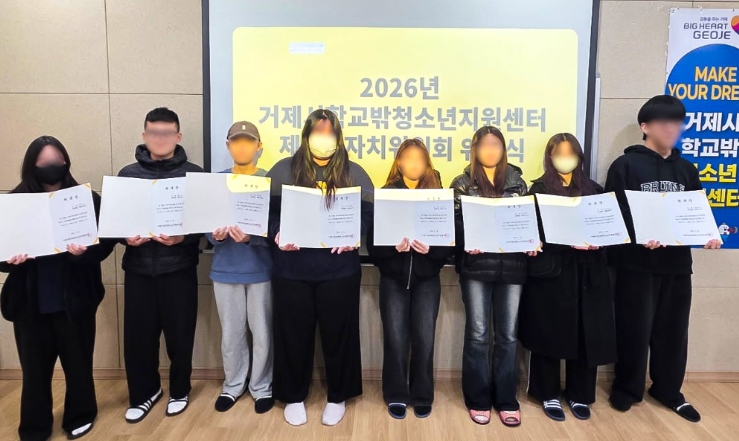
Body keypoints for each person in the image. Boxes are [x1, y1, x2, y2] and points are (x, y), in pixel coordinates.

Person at [605, 95, 721, 423]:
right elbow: (614, 215)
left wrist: (707, 234)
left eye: (677, 122)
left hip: (677, 265)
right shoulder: (625, 166)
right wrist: (638, 237)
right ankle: (627, 388)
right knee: (633, 329)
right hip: (636, 265)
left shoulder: (686, 169)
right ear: (645, 127)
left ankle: (669, 390)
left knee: (673, 331)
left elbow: (696, 211)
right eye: (664, 122)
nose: (672, 129)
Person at [0, 136, 115, 441]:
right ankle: (34, 425)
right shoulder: (14, 202)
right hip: (30, 303)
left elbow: (104, 246)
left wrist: (83, 253)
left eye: (57, 161)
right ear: (32, 165)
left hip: (76, 299)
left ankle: (81, 414)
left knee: (78, 364)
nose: (52, 166)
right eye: (44, 162)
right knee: (34, 370)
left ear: (66, 162)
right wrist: (11, 260)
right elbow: (2, 256)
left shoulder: (86, 200)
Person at [267, 109, 373, 427]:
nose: (323, 138)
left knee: (340, 334)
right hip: (291, 269)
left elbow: (368, 215)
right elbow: (267, 213)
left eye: (329, 132)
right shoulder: (283, 169)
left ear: (338, 137)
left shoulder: (354, 172)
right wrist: (277, 232)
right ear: (306, 135)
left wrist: (355, 234)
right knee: (292, 335)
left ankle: (338, 396)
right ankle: (293, 395)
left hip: (339, 270)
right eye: (317, 131)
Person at [519, 133, 616, 422]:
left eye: (570, 152)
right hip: (552, 272)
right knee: (548, 332)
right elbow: (528, 231)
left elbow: (610, 230)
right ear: (549, 157)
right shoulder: (537, 191)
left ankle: (580, 394)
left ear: (579, 157)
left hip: (589, 272)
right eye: (558, 153)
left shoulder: (595, 191)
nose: (565, 158)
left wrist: (600, 241)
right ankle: (546, 392)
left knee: (587, 333)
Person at [118, 107, 204, 423]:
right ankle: (145, 393)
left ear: (178, 136)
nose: (160, 138)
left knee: (180, 336)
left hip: (179, 269)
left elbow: (204, 224)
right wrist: (126, 238)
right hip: (138, 270)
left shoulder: (194, 174)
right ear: (144, 135)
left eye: (167, 133)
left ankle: (179, 390)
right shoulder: (127, 175)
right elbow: (116, 223)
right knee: (138, 338)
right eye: (154, 133)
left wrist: (183, 238)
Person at [367, 139, 454, 420]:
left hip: (427, 279)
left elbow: (449, 243)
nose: (414, 163)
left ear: (427, 163)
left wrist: (432, 252)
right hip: (393, 279)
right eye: (408, 158)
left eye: (420, 158)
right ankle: (396, 393)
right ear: (399, 162)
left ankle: (422, 395)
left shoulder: (438, 196)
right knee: (395, 338)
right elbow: (372, 245)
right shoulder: (386, 195)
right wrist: (393, 248)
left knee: (425, 338)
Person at [451, 126, 527, 427]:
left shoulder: (518, 183)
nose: (491, 149)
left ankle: (506, 399)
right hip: (476, 266)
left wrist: (529, 241)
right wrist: (466, 238)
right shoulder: (462, 184)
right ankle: (478, 398)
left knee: (507, 335)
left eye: (496, 144)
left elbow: (525, 221)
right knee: (478, 334)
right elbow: (454, 225)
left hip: (512, 267)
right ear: (475, 149)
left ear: (503, 148)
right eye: (484, 145)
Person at [207, 121, 274, 414]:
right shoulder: (216, 182)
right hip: (225, 269)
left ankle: (262, 387)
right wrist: (216, 235)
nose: (242, 146)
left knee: (263, 333)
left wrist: (252, 237)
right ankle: (233, 385)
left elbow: (276, 228)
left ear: (259, 146)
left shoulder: (269, 181)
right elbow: (206, 227)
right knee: (231, 334)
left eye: (248, 141)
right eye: (236, 141)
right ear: (228, 145)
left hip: (261, 269)